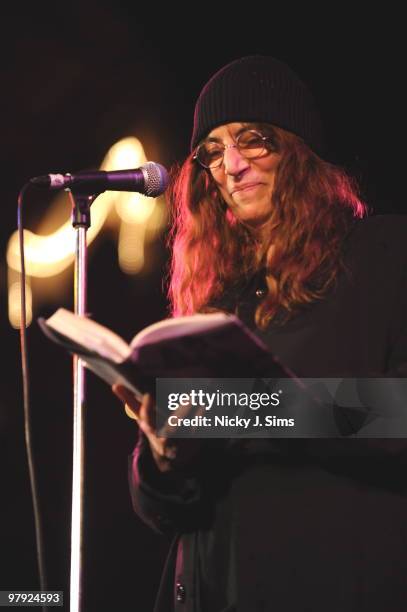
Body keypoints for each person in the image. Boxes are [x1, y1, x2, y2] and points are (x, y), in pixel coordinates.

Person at [113, 56, 407, 612]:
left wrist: (253, 407)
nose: (232, 166)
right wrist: (161, 456)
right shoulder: (220, 303)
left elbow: (398, 414)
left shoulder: (385, 255)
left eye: (254, 141)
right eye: (214, 152)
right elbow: (161, 513)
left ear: (297, 149)